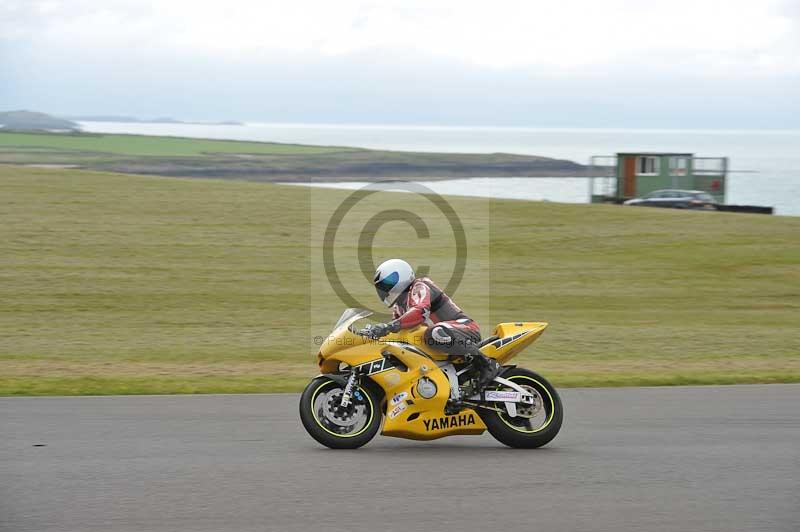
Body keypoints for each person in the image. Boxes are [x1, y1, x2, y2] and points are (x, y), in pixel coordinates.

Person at [367, 258, 501, 388]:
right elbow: (396, 334)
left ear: (402, 275)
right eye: (382, 287)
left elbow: (420, 311)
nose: (385, 289)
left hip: (464, 329)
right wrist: (374, 334)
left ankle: (486, 365)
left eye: (387, 284)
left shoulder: (419, 286)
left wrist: (389, 326)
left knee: (435, 332)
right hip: (441, 345)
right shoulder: (399, 307)